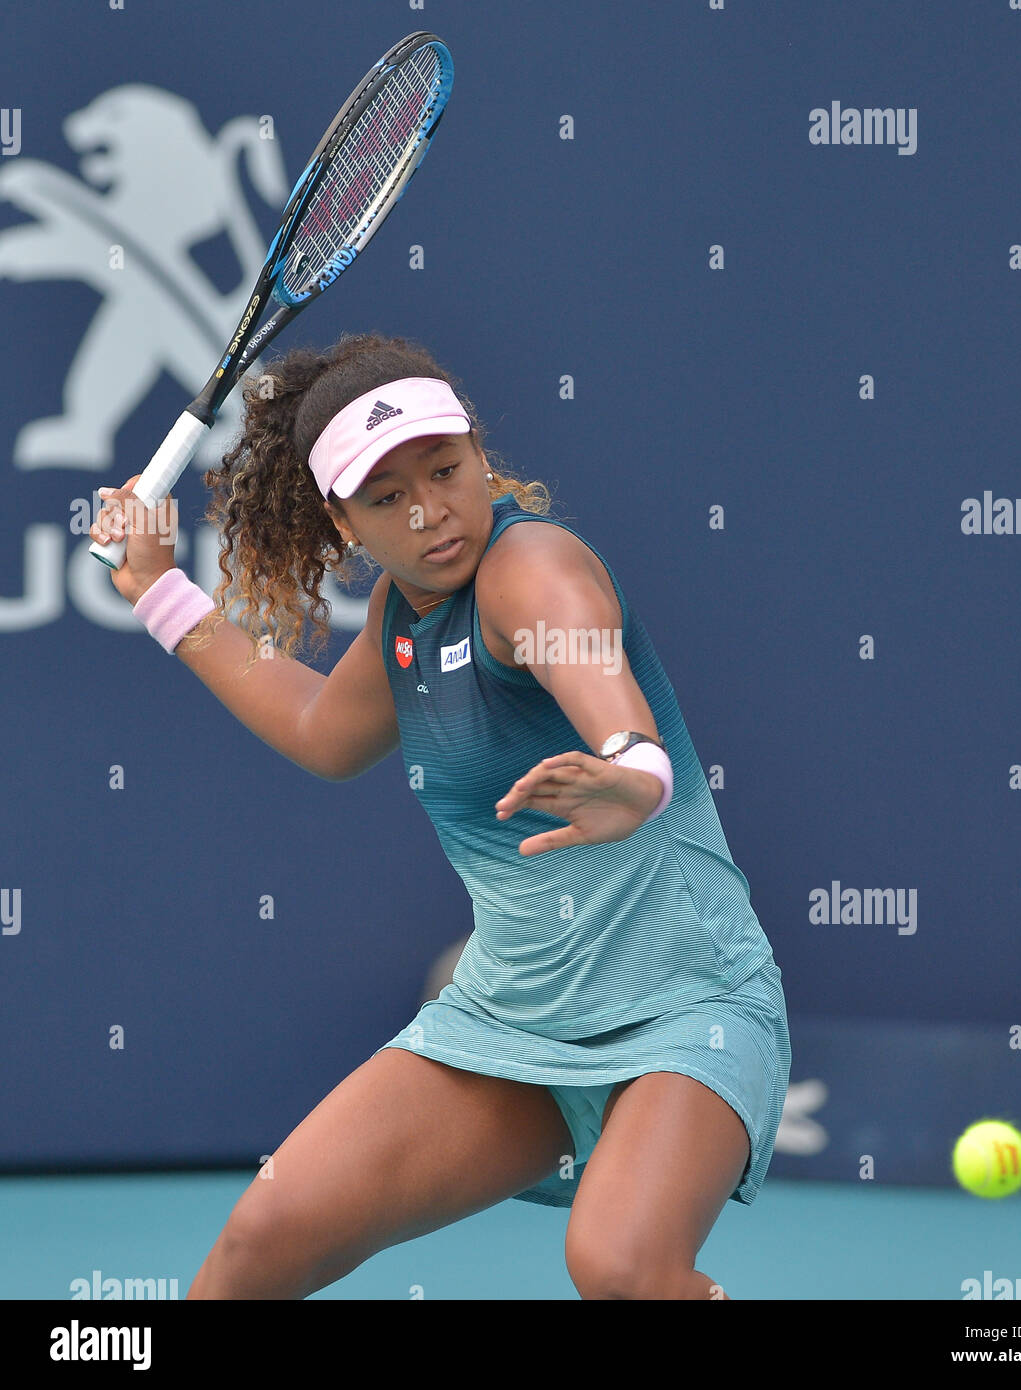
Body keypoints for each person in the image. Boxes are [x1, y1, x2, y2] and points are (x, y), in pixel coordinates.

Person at [92, 332, 792, 1300]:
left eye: (445, 468)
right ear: (341, 521)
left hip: (686, 1008)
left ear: (478, 453)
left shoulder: (529, 566)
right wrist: (161, 593)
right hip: (510, 1022)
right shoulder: (402, 615)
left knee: (620, 1267)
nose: (430, 510)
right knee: (266, 1234)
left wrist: (633, 768)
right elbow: (320, 732)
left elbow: (592, 671)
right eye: (386, 497)